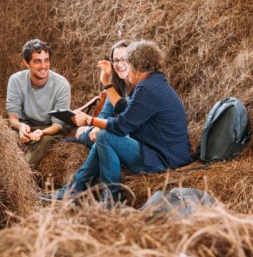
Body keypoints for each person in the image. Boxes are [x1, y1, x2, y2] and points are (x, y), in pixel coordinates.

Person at [41, 40, 192, 204]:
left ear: (137, 66)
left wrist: (89, 120)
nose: (126, 71)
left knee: (104, 136)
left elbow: (121, 126)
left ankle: (110, 199)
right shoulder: (155, 82)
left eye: (128, 65)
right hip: (166, 154)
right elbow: (126, 109)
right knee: (103, 138)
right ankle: (74, 190)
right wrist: (107, 83)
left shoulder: (146, 88)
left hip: (163, 160)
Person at [5, 38, 72, 168]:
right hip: (26, 123)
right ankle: (6, 166)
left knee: (45, 141)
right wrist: (21, 127)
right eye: (37, 61)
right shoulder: (15, 80)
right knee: (9, 136)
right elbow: (12, 118)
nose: (43, 66)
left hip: (49, 127)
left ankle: (22, 170)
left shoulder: (62, 85)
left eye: (46, 60)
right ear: (26, 63)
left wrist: (42, 132)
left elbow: (57, 125)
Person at [72, 40, 132, 148]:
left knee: (101, 136)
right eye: (116, 60)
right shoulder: (117, 86)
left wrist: (93, 122)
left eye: (124, 59)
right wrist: (97, 127)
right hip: (114, 128)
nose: (119, 64)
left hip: (131, 135)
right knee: (81, 132)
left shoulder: (141, 87)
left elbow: (127, 121)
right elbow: (106, 113)